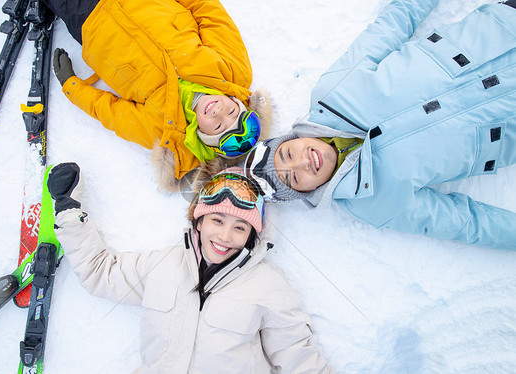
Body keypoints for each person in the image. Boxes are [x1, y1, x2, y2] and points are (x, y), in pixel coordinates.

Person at [243, 0, 516, 249]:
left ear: (291, 139)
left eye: (288, 154)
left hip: (500, 31)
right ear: (304, 192)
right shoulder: (373, 202)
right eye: (293, 178)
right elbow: (466, 223)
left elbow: (392, 25)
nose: (302, 162)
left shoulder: (335, 92)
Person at [47, 162, 334, 373]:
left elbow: (300, 360)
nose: (224, 237)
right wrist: (69, 212)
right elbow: (102, 273)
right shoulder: (162, 266)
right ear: (199, 221)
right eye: (217, 221)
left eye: (239, 227)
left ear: (251, 234)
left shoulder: (269, 287)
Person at [40, 0, 272, 191]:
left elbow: (110, 112)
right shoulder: (232, 70)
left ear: (203, 136)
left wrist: (71, 85)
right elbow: (211, 13)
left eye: (218, 125)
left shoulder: (161, 128)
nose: (218, 111)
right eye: (231, 111)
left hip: (91, 20)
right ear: (236, 101)